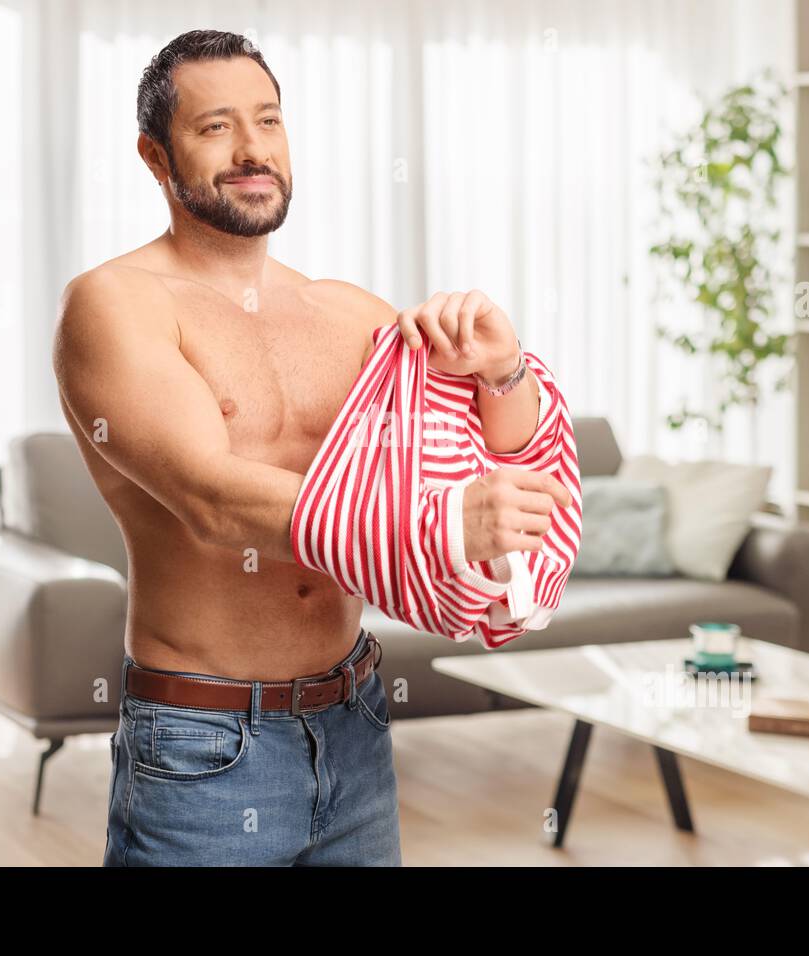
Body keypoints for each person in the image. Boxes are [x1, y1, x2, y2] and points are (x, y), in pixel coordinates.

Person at [52, 28, 571, 866]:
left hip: (354, 718)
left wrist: (503, 371)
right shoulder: (116, 305)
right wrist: (437, 523)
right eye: (215, 127)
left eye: (269, 121)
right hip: (202, 742)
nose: (252, 149)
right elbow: (212, 501)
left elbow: (493, 461)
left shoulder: (347, 312)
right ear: (156, 156)